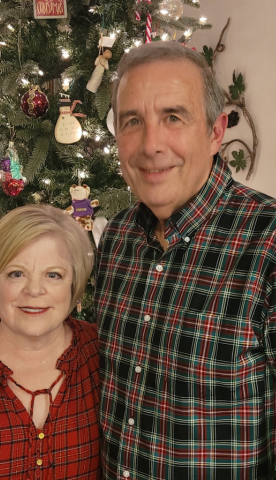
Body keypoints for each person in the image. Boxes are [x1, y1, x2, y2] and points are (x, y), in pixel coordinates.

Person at [94, 41, 276, 479]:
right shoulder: (115, 238)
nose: (151, 145)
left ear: (215, 132)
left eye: (173, 117)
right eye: (133, 121)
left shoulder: (268, 243)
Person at [0, 204, 101, 479]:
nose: (34, 290)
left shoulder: (106, 355)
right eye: (16, 273)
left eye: (53, 274)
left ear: (74, 283)